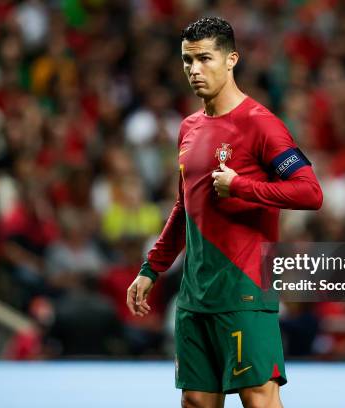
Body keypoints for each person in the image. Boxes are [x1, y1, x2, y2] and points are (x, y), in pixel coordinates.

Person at [126, 17, 322, 408]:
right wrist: (152, 269)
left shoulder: (261, 124)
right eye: (187, 61)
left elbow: (310, 192)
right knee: (196, 401)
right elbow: (185, 207)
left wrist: (241, 187)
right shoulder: (189, 128)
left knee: (259, 399)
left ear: (231, 59)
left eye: (204, 59)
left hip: (245, 289)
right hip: (195, 294)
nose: (194, 70)